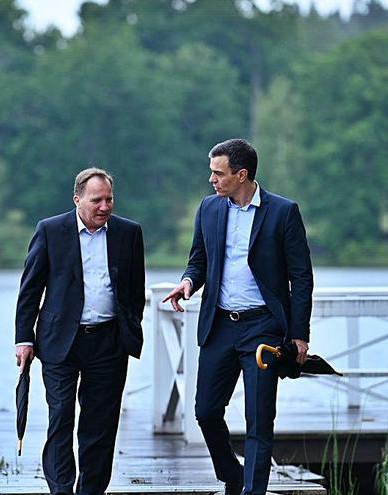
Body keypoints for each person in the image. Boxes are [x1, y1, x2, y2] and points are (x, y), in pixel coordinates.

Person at [162, 139, 313, 495]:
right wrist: (188, 282)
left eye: (218, 173)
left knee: (259, 418)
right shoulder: (209, 209)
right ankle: (232, 474)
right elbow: (198, 259)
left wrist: (299, 334)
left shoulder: (283, 212)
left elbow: (301, 277)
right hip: (219, 326)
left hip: (263, 327)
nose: (211, 179)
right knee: (205, 411)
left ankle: (252, 490)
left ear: (241, 175)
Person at [15, 168, 145, 495]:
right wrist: (23, 338)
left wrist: (129, 330)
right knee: (60, 418)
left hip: (108, 342)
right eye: (96, 200)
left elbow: (134, 290)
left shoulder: (129, 233)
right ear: (77, 200)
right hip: (60, 342)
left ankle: (91, 491)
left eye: (109, 199)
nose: (104, 206)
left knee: (99, 427)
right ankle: (61, 490)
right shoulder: (50, 231)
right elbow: (30, 290)